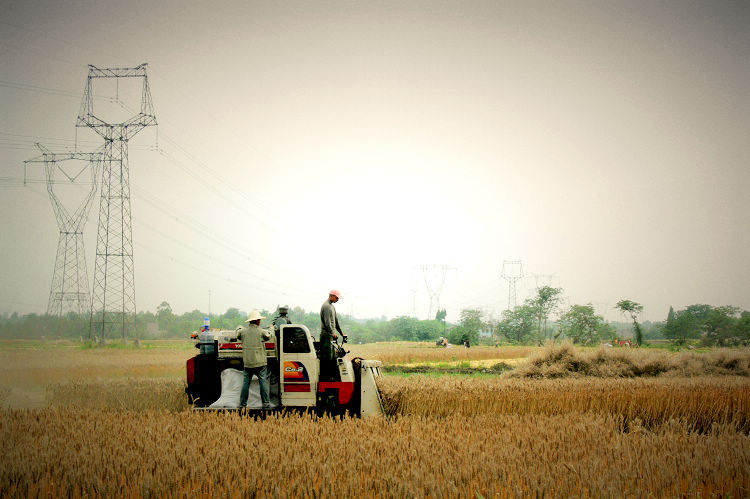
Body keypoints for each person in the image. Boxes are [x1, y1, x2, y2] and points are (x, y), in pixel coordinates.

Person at [237, 310, 272, 409]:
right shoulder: (261, 331)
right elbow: (269, 335)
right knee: (263, 382)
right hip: (260, 363)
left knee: (246, 384)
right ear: (257, 321)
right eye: (259, 320)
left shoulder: (243, 332)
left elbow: (238, 334)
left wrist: (238, 328)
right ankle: (265, 404)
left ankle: (242, 405)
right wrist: (272, 328)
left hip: (248, 363)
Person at [319, 289, 347, 381]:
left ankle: (333, 376)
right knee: (327, 357)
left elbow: (336, 322)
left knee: (333, 356)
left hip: (331, 334)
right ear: (331, 296)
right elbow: (327, 323)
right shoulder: (326, 306)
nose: (338, 299)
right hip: (326, 335)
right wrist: (332, 333)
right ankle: (326, 378)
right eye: (337, 297)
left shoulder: (332, 307)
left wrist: (341, 333)